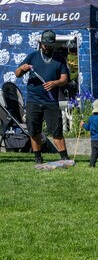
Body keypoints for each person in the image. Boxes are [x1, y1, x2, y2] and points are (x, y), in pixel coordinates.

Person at [14, 30, 70, 164]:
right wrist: (23, 68)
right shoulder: (32, 56)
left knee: (56, 131)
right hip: (34, 100)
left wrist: (55, 83)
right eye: (46, 45)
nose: (48, 48)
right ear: (41, 44)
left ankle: (64, 157)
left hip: (51, 101)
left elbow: (65, 79)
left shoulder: (59, 59)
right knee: (34, 131)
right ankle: (38, 158)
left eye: (50, 45)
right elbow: (17, 73)